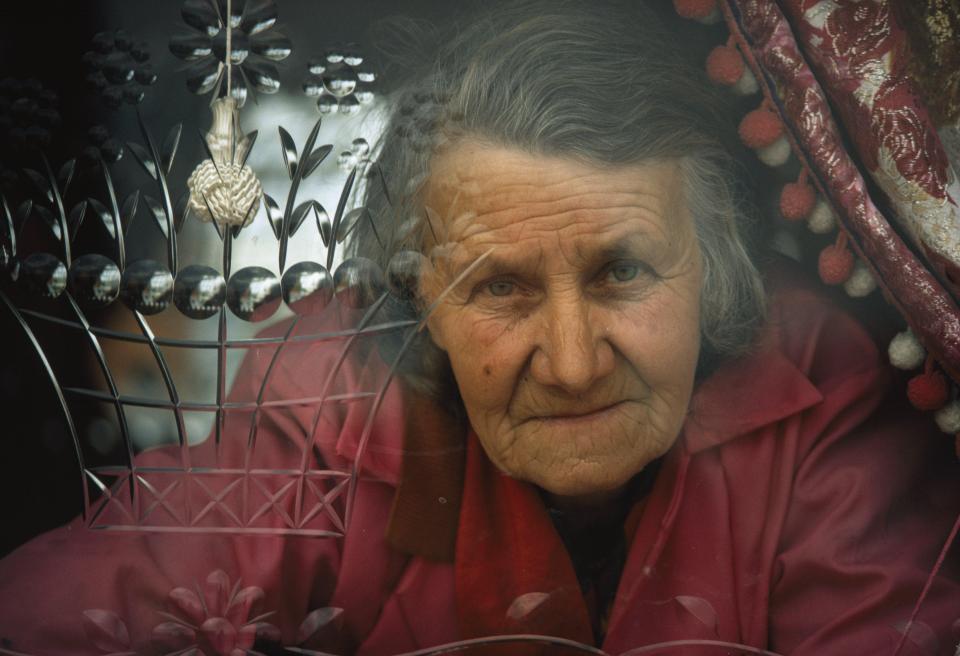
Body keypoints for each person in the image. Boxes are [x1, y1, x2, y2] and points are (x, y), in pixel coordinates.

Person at [1, 1, 958, 654]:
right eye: (499, 287)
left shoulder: (826, 376)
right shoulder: (332, 393)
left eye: (623, 271)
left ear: (717, 273)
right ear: (417, 297)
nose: (575, 365)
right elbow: (90, 601)